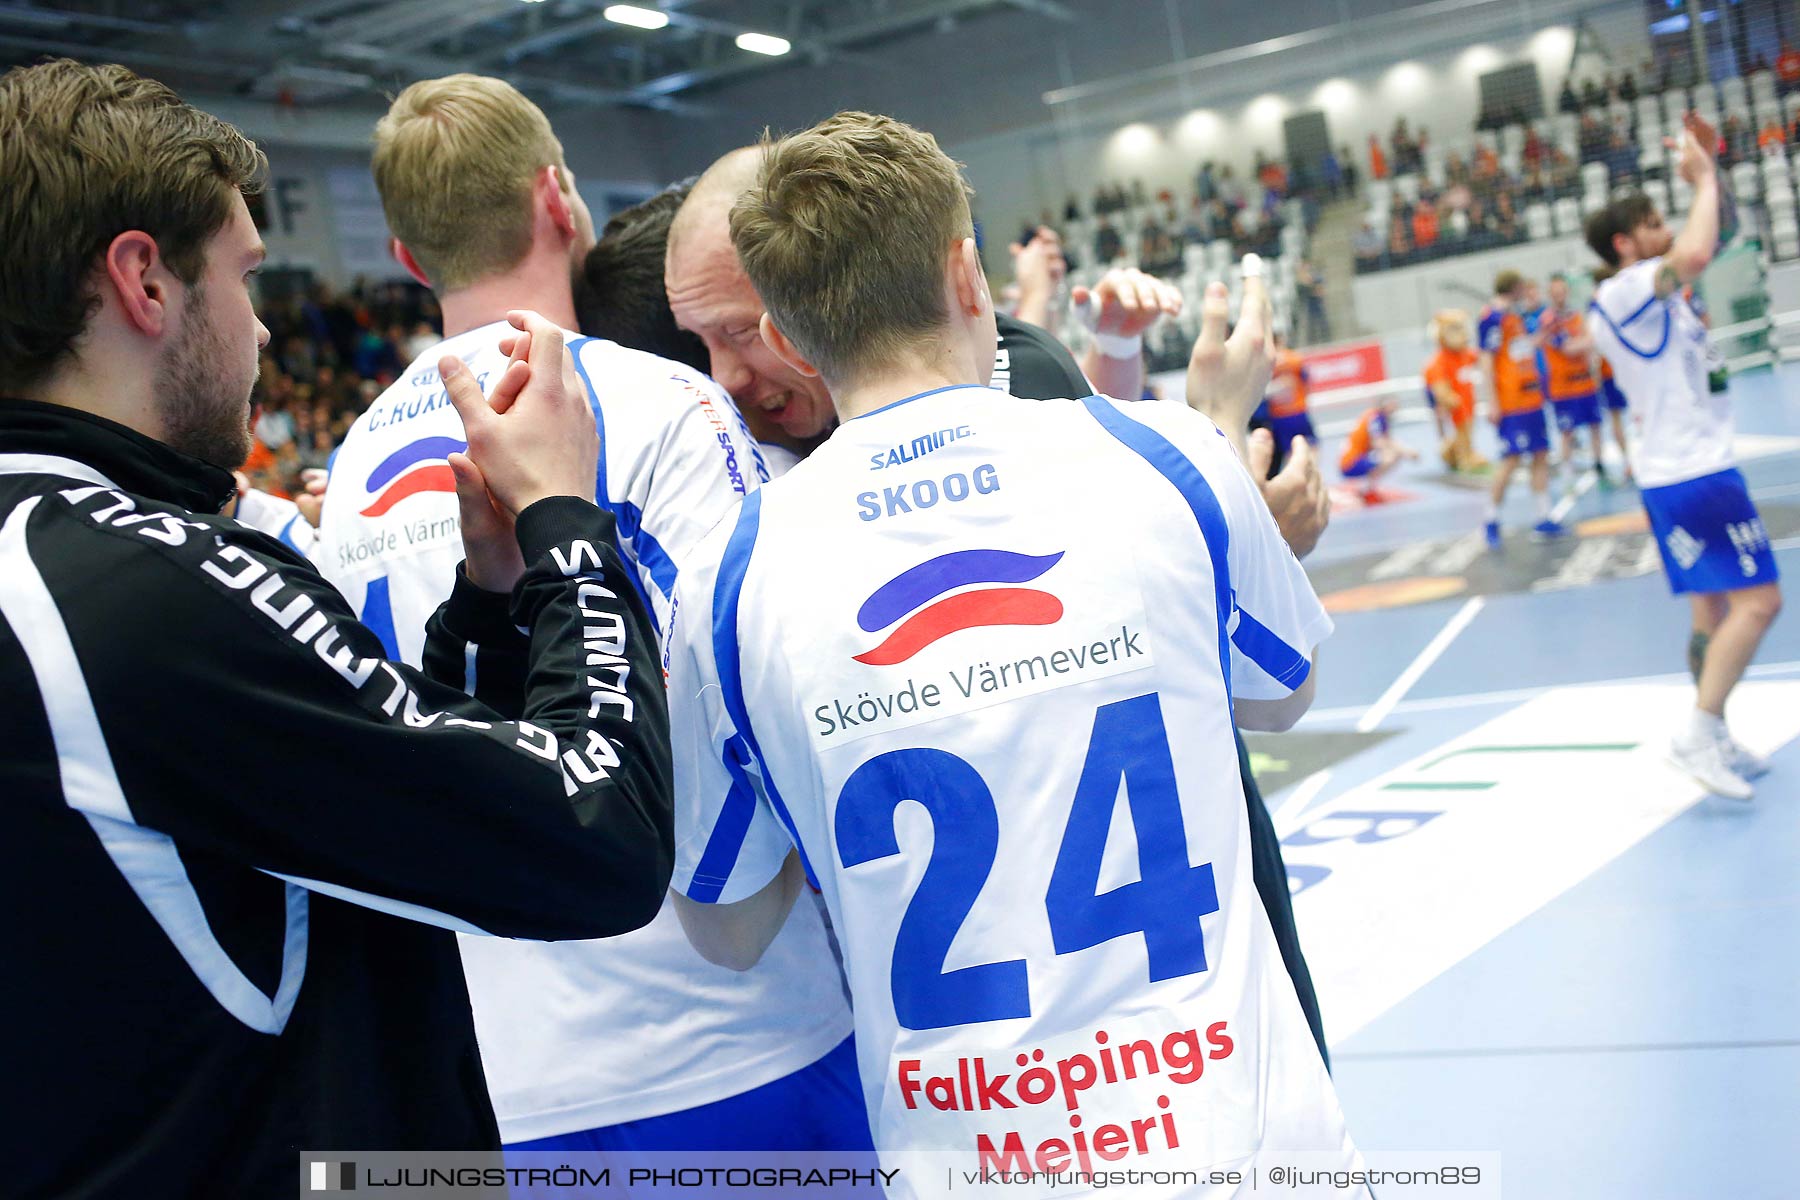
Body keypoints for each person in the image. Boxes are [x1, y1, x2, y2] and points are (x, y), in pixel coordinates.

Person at [0, 61, 674, 1193]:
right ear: (144, 283)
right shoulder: (136, 587)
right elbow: (594, 834)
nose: (262, 331)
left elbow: (353, 802)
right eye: (243, 277)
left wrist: (493, 603)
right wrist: (568, 524)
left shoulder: (60, 566)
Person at [664, 111, 1361, 1192]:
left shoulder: (730, 577)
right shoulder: (1164, 454)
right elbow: (1281, 695)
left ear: (792, 337)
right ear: (966, 270)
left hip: (978, 1162)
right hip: (1240, 1143)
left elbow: (728, 927)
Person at [315, 75, 866, 1158]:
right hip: (726, 1039)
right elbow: (762, 681)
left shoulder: (354, 463)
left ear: (409, 258)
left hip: (498, 1073)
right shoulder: (663, 405)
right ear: (558, 198)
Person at [1586, 113, 1781, 800]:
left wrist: (1710, 169)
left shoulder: (1649, 292)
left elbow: (1715, 236)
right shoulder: (1626, 290)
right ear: (1624, 242)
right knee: (1761, 602)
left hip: (1681, 470)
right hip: (1694, 472)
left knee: (1712, 615)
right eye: (1650, 222)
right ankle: (1697, 731)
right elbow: (1695, 253)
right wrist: (1700, 177)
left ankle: (1714, 728)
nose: (1665, 227)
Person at [1478, 269, 1564, 546]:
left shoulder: (1515, 317)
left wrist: (1545, 334)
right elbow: (1487, 359)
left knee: (1540, 454)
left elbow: (1522, 348)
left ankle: (1543, 516)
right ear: (1513, 288)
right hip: (1511, 401)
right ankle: (1491, 519)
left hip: (1532, 398)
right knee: (1511, 460)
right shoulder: (1491, 318)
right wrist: (1492, 400)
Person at [1539, 274, 1608, 485]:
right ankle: (1567, 475)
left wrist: (1586, 346)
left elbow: (1590, 342)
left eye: (1562, 290)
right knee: (1567, 432)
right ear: (1550, 294)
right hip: (1563, 387)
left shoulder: (1576, 316)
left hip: (1585, 383)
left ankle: (1600, 467)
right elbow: (1568, 348)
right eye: (1555, 292)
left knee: (1595, 426)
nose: (1560, 295)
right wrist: (1584, 342)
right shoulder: (1549, 321)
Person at [1423, 308, 1486, 473]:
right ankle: (1457, 455)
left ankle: (1465, 452)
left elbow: (1480, 358)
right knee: (1460, 428)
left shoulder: (1465, 354)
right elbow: (1438, 384)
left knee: (1469, 428)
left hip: (1468, 399)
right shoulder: (1439, 361)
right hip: (1455, 403)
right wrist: (1447, 397)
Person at [1339, 394, 1417, 502]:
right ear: (1386, 405)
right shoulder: (1377, 418)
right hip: (1352, 462)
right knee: (1389, 456)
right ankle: (1368, 489)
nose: (1395, 408)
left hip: (1352, 460)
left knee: (1389, 454)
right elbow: (1379, 442)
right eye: (1393, 405)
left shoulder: (1373, 416)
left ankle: (1368, 488)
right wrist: (1405, 451)